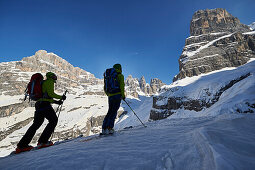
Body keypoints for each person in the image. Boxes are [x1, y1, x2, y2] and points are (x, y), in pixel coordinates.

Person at [16, 72, 66, 153]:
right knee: (53, 120)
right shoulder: (49, 81)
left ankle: (22, 145)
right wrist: (61, 97)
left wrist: (56, 102)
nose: (55, 78)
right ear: (50, 76)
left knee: (36, 124)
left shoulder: (43, 83)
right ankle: (43, 141)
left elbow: (44, 96)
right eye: (54, 76)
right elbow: (51, 94)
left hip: (39, 105)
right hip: (45, 105)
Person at [102, 64, 125, 135]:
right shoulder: (120, 75)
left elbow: (105, 86)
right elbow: (121, 86)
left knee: (110, 111)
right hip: (117, 95)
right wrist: (123, 95)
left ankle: (104, 128)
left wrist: (108, 94)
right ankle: (110, 128)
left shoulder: (108, 76)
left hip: (110, 96)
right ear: (119, 68)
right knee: (114, 112)